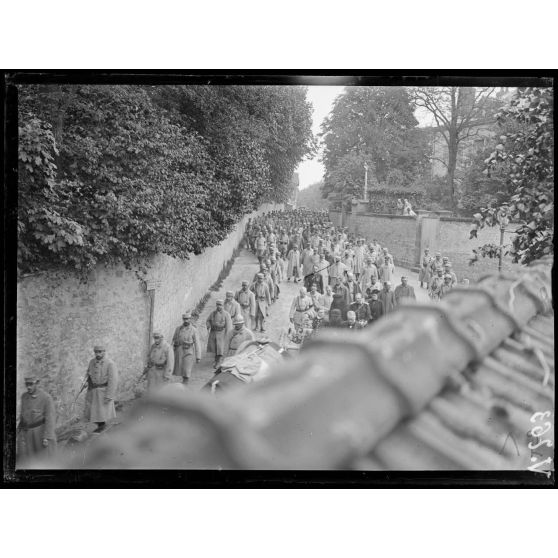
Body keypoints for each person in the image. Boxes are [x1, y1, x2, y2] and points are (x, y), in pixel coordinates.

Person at [17, 375, 56, 462]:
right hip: (27, 433)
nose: (28, 387)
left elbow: (50, 418)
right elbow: (22, 416)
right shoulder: (24, 397)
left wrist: (47, 437)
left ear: (37, 383)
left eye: (31, 384)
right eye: (27, 384)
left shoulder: (46, 398)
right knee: (28, 461)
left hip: (40, 433)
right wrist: (19, 432)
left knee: (42, 460)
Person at [84, 345, 118, 433]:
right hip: (94, 392)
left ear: (104, 352)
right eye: (96, 352)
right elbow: (88, 374)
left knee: (104, 415)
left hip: (104, 393)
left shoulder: (110, 363)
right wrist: (86, 383)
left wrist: (109, 395)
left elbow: (113, 381)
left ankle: (106, 433)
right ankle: (99, 431)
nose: (98, 354)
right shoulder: (92, 362)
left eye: (100, 352)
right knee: (96, 415)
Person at [172, 312, 201, 384]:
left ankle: (185, 383)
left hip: (188, 352)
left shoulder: (193, 330)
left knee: (186, 369)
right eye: (184, 319)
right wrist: (171, 351)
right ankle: (184, 381)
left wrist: (198, 356)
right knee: (181, 369)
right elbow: (173, 340)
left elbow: (197, 343)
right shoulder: (178, 329)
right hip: (179, 351)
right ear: (182, 319)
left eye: (187, 319)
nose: (186, 321)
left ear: (190, 319)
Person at [206, 300, 233, 368]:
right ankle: (216, 359)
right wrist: (208, 325)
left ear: (223, 306)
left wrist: (227, 335)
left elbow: (229, 326)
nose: (219, 306)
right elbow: (208, 320)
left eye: (220, 305)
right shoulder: (213, 313)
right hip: (213, 332)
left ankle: (219, 361)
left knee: (220, 348)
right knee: (214, 347)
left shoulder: (226, 314)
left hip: (222, 333)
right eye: (218, 305)